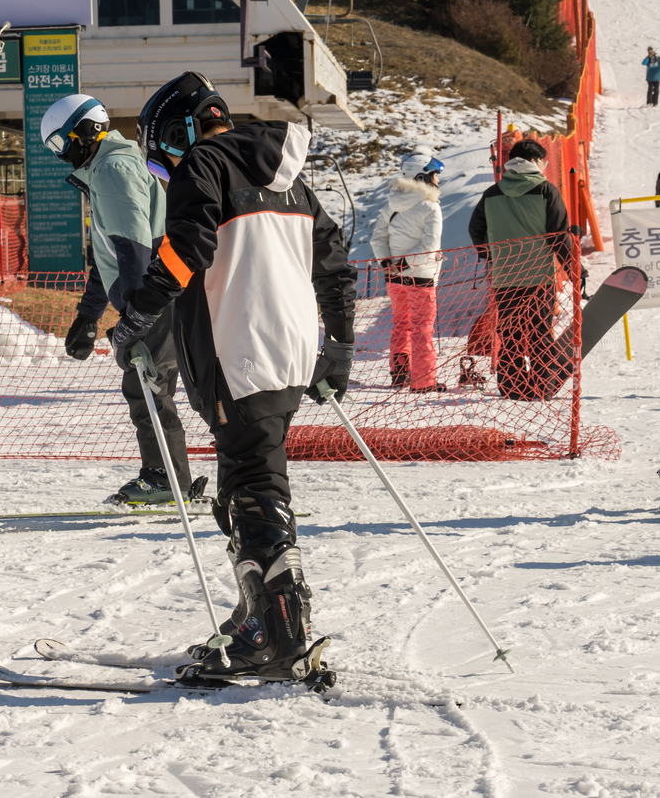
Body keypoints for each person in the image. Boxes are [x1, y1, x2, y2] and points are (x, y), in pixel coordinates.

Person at [111, 72, 358, 683]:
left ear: (182, 129)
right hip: (288, 352)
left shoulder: (203, 163)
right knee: (244, 482)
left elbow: (185, 248)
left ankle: (279, 637)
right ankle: (260, 621)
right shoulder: (291, 180)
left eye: (163, 146)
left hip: (239, 350)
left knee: (253, 484)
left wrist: (139, 310)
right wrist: (340, 343)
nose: (166, 163)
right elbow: (333, 262)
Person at [40, 94, 197, 506]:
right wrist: (87, 316)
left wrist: (136, 314)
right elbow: (109, 256)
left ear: (85, 131)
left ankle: (165, 478)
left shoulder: (111, 168)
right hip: (157, 294)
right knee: (149, 383)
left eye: (60, 144)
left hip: (157, 296)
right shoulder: (107, 167)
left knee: (147, 384)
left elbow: (134, 249)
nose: (61, 156)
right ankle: (172, 476)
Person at [468, 139, 573, 401]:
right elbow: (560, 236)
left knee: (509, 332)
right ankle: (542, 386)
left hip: (505, 277)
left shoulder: (492, 193)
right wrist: (574, 270)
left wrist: (491, 255)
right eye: (544, 162)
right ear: (534, 161)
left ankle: (512, 387)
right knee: (539, 331)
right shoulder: (546, 190)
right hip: (539, 276)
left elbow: (475, 230)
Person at [370, 152, 445, 392]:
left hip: (394, 278)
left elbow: (377, 238)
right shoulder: (431, 207)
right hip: (421, 276)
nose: (438, 181)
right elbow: (429, 246)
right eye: (435, 175)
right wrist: (405, 264)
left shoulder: (390, 204)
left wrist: (387, 263)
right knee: (423, 327)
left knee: (401, 323)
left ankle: (400, 374)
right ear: (422, 176)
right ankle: (424, 382)